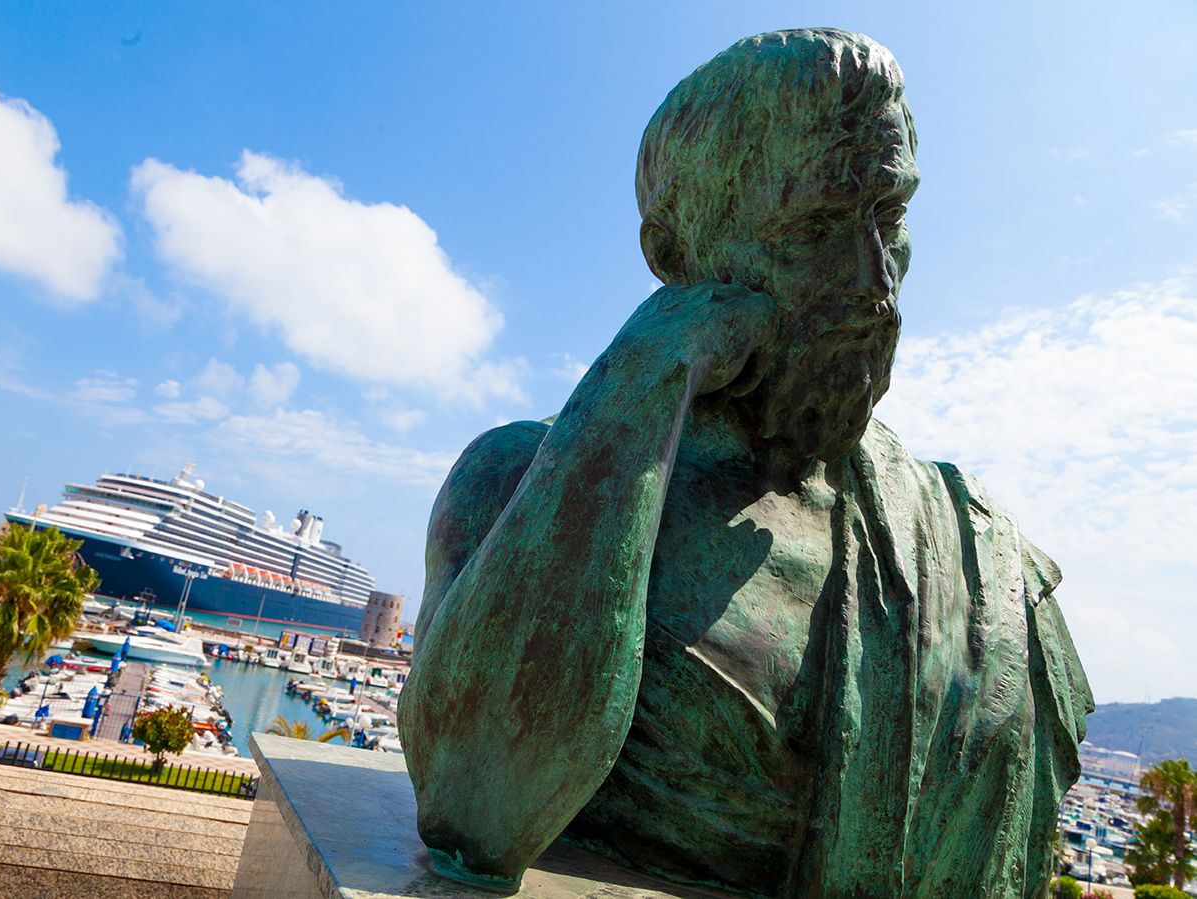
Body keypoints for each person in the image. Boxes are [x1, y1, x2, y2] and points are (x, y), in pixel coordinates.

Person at [400, 28, 1092, 897]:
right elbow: (475, 814)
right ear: (675, 257)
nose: (874, 280)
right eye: (815, 227)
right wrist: (637, 388)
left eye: (891, 215)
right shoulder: (513, 484)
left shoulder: (973, 550)